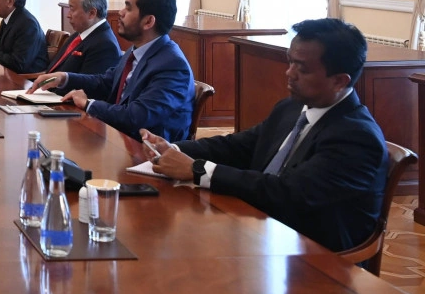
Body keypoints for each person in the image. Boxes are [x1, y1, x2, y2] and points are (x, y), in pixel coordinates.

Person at [147, 18, 388, 253]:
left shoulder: (357, 138)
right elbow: (240, 146)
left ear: (339, 81)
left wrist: (198, 169)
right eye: (290, 62)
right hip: (260, 230)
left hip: (313, 257)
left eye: (302, 68)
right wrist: (174, 149)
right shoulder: (291, 107)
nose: (289, 73)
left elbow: (289, 192)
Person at [31, 0, 193, 141]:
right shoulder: (136, 51)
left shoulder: (172, 66)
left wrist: (88, 104)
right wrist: (64, 78)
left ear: (148, 21)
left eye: (128, 8)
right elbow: (106, 82)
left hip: (145, 149)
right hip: (119, 138)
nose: (121, 12)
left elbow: (136, 116)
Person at [41, 0, 121, 78]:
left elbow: (88, 85)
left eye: (72, 9)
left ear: (91, 13)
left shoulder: (105, 45)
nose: (68, 15)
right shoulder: (78, 35)